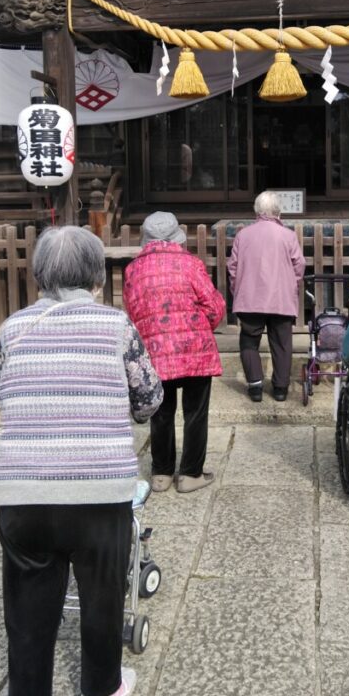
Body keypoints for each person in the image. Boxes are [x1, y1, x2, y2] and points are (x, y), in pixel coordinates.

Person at [0, 226, 163, 696]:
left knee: (26, 614)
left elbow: (5, 397)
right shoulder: (116, 326)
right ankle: (99, 691)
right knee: (102, 595)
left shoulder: (12, 329)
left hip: (23, 494)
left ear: (39, 274)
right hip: (99, 492)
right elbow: (149, 400)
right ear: (95, 274)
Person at [123, 211, 225, 494]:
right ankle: (190, 474)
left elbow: (132, 313)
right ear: (174, 236)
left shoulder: (133, 270)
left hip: (155, 352)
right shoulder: (191, 264)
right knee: (195, 412)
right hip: (195, 350)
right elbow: (215, 307)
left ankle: (162, 473)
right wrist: (200, 326)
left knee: (161, 411)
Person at [227, 190, 306, 402]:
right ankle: (280, 388)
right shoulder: (288, 236)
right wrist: (290, 284)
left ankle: (254, 386)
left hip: (250, 298)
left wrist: (238, 290)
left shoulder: (243, 235)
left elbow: (233, 267)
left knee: (249, 341)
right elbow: (299, 266)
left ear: (257, 211)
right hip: (280, 298)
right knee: (281, 343)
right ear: (277, 212)